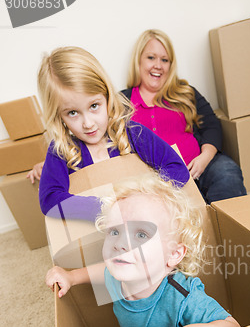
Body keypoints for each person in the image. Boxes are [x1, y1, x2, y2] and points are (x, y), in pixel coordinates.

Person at [46, 173, 241, 327]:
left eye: (141, 234)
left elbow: (232, 326)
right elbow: (102, 271)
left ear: (174, 254)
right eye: (114, 231)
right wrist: (72, 277)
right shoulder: (120, 274)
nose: (120, 244)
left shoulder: (184, 296)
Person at [37, 46, 190, 221]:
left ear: (108, 96)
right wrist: (107, 207)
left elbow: (177, 168)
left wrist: (144, 197)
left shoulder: (133, 133)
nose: (88, 123)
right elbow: (49, 200)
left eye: (94, 106)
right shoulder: (61, 150)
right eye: (72, 113)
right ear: (58, 115)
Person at [121, 29, 247, 204]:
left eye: (164, 60)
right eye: (151, 58)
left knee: (227, 173)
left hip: (201, 166)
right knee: (188, 210)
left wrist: (205, 157)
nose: (158, 65)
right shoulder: (122, 102)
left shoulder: (186, 93)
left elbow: (211, 125)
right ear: (139, 61)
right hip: (159, 182)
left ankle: (233, 226)